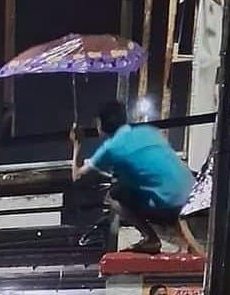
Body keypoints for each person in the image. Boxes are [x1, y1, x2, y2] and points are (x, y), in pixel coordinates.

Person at [71, 101, 203, 255]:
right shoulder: (148, 131)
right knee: (147, 185)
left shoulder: (110, 148)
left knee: (113, 195)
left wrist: (77, 145)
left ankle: (150, 238)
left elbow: (77, 177)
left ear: (101, 124)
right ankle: (185, 237)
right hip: (194, 194)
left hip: (171, 205)